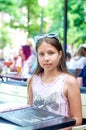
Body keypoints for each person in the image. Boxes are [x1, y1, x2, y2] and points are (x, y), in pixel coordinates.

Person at [27, 34, 82, 130]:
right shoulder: (32, 80)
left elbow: (77, 119)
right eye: (41, 54)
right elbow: (30, 111)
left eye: (51, 53)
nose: (46, 58)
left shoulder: (69, 81)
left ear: (60, 54)